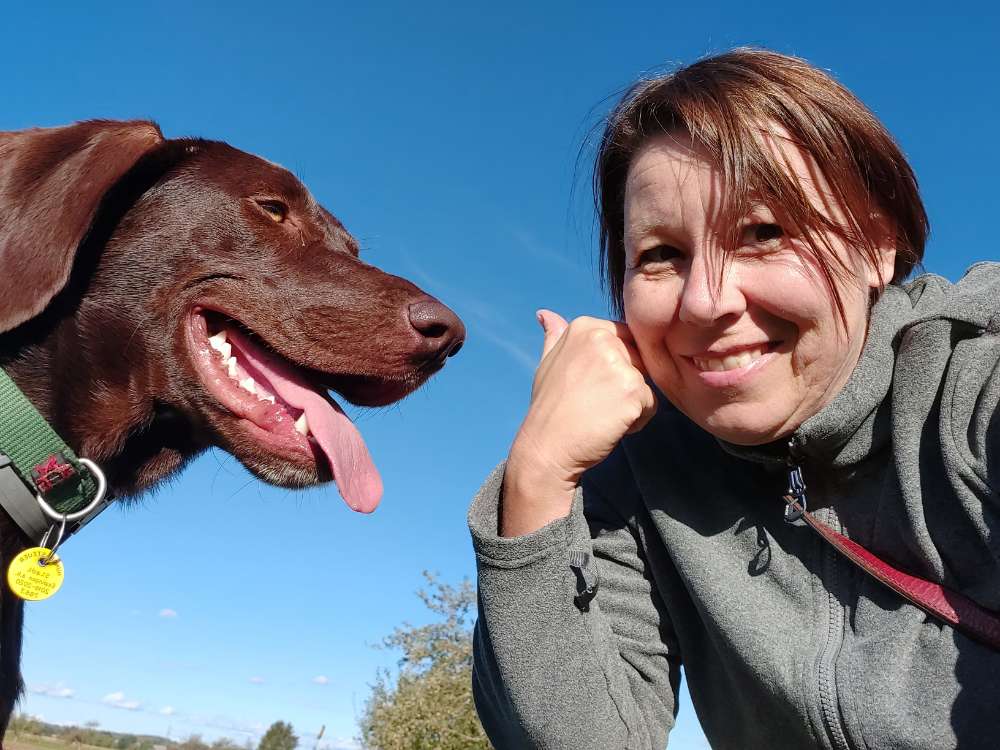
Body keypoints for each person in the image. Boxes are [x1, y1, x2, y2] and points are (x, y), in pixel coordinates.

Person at [467, 48, 1000, 749]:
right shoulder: (633, 474)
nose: (706, 302)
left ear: (876, 245)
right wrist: (537, 477)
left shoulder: (972, 382)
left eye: (763, 232)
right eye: (660, 254)